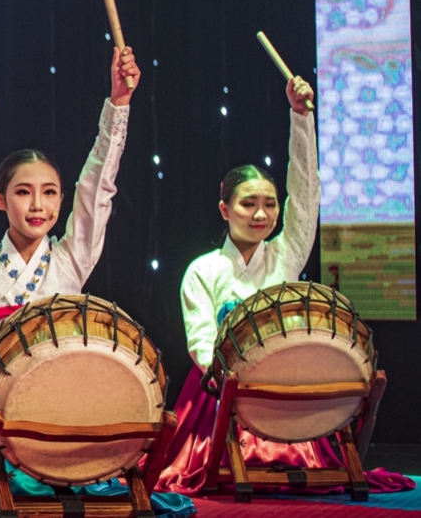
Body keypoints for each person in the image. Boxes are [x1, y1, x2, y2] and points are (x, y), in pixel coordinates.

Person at [0, 47, 190, 518]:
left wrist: (118, 104)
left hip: (63, 400)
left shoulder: (71, 259)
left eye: (49, 192)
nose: (38, 205)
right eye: (23, 192)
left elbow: (97, 188)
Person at [157, 76, 411, 495]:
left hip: (284, 388)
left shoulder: (285, 254)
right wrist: (235, 380)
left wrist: (301, 118)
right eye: (248, 204)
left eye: (270, 204)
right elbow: (200, 341)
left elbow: (306, 195)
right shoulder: (202, 270)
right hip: (221, 392)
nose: (261, 214)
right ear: (225, 209)